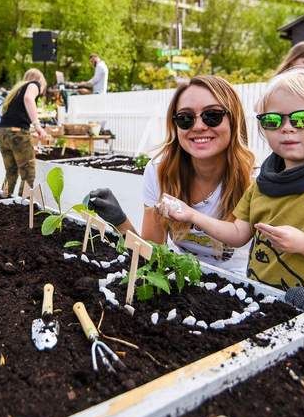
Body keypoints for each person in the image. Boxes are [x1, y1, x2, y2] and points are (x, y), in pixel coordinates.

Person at [155, 69, 304, 319]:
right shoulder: (263, 184)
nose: (287, 128)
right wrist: (190, 215)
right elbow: (238, 235)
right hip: (263, 305)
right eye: (273, 120)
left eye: (303, 118)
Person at [88, 75, 254, 274]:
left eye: (212, 115)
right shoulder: (160, 172)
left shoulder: (254, 180)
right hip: (179, 278)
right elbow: (151, 252)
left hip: (240, 287)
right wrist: (120, 222)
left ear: (234, 120)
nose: (199, 126)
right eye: (185, 118)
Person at [0, 69, 50, 196]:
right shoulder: (34, 84)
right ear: (40, 81)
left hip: (3, 132)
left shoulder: (17, 91)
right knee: (28, 174)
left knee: (11, 172)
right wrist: (37, 126)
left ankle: (3, 202)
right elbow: (28, 98)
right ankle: (22, 207)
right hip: (17, 133)